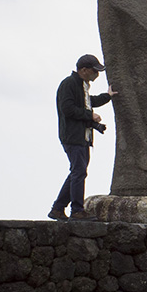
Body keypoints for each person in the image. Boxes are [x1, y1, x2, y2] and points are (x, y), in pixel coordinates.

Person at [50, 54, 116, 222]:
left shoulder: (82, 86)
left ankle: (58, 209)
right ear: (84, 70)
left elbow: (88, 102)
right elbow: (68, 109)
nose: (97, 74)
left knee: (77, 172)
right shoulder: (69, 84)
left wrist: (107, 96)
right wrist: (90, 116)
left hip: (82, 137)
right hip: (73, 137)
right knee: (79, 172)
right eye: (95, 71)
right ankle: (77, 211)